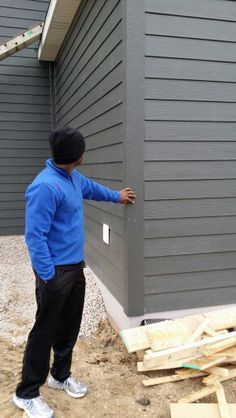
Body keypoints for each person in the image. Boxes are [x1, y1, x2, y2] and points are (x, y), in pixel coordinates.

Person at [13, 126, 136, 418]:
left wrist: (117, 197)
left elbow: (91, 188)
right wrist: (48, 276)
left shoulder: (71, 177)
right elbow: (35, 237)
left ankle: (59, 375)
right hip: (54, 272)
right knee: (44, 332)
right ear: (73, 155)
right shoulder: (45, 187)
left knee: (69, 326)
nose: (84, 152)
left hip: (74, 267)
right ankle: (27, 393)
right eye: (82, 149)